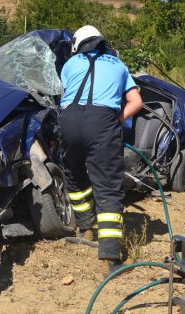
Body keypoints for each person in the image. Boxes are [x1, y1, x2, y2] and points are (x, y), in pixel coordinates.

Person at [58, 25, 143, 273]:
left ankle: (85, 228)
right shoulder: (118, 65)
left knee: (73, 173)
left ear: (78, 45)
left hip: (69, 120)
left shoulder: (70, 64)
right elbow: (136, 102)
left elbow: (67, 93)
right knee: (107, 185)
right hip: (103, 121)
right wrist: (116, 120)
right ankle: (110, 257)